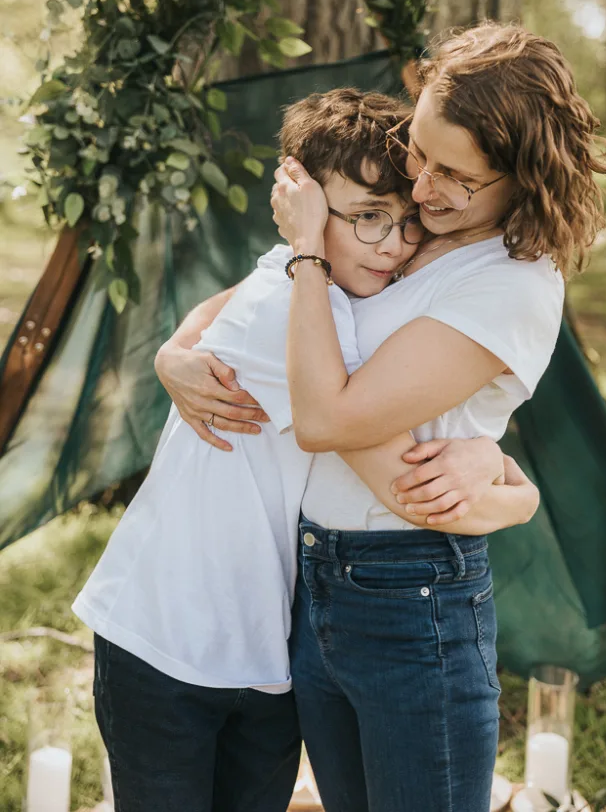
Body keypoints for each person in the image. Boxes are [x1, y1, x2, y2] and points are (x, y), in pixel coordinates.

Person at [166, 23, 606, 812]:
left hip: (413, 597)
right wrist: (175, 353)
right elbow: (260, 300)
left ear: (523, 176)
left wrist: (308, 252)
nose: (425, 185)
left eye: (455, 174)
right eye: (419, 151)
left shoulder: (510, 281)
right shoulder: (412, 233)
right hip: (315, 578)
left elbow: (329, 417)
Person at [74, 87, 532, 812]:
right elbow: (401, 484)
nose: (392, 243)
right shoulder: (301, 301)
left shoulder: (317, 287)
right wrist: (520, 502)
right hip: (166, 638)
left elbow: (214, 311)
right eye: (366, 219)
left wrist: (178, 348)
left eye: (405, 221)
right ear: (305, 210)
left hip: (264, 644)